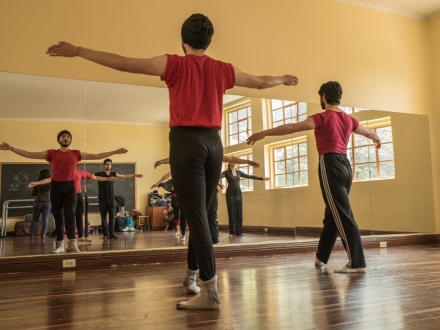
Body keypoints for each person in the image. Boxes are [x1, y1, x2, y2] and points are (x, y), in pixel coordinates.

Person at [46, 13, 297, 310]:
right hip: (213, 144)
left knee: (198, 217)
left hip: (186, 143)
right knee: (199, 215)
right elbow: (259, 82)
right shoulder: (223, 69)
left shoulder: (175, 63)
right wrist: (283, 78)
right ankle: (192, 277)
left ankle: (210, 291)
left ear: (183, 41)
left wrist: (78, 50)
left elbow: (125, 63)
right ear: (209, 41)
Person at [247, 81, 382, 273]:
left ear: (324, 97)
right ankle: (321, 257)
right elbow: (368, 132)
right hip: (345, 165)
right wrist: (377, 139)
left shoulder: (322, 117)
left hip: (330, 164)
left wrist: (264, 133)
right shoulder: (349, 119)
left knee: (341, 213)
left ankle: (357, 262)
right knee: (333, 212)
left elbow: (293, 128)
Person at [1, 130, 128, 254]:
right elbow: (29, 154)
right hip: (56, 186)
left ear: (70, 140)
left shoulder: (76, 154)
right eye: (63, 136)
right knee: (58, 216)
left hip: (70, 187)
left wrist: (115, 151)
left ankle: (72, 243)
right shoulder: (52, 153)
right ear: (59, 140)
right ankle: (60, 244)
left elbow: (96, 156)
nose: (66, 138)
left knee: (70, 215)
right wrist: (11, 148)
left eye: (68, 136)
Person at [154, 156, 261, 244]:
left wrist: (247, 161)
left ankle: (215, 239)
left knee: (212, 215)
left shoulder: (211, 155)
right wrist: (162, 161)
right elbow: (174, 160)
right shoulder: (190, 158)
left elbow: (231, 158)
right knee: (198, 216)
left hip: (211, 191)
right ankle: (198, 240)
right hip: (197, 191)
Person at [95, 158, 143, 240]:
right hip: (102, 198)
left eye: (110, 164)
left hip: (111, 198)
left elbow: (124, 176)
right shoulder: (99, 174)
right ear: (104, 165)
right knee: (103, 217)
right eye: (107, 164)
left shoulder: (113, 174)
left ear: (111, 165)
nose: (108, 165)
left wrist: (134, 175)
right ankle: (105, 234)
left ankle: (112, 234)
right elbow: (90, 176)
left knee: (112, 217)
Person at [220, 163, 270, 237]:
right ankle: (232, 232)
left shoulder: (239, 172)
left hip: (238, 192)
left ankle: (239, 232)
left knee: (239, 211)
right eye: (232, 162)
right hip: (230, 192)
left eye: (234, 162)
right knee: (232, 211)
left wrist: (262, 178)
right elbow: (217, 177)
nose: (233, 163)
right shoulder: (226, 172)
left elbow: (249, 176)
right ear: (229, 163)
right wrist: (218, 183)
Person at [29, 169, 52, 238]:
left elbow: (32, 194)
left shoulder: (37, 183)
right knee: (45, 219)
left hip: (38, 201)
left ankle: (32, 234)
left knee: (35, 218)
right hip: (48, 202)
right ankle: (43, 234)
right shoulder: (51, 183)